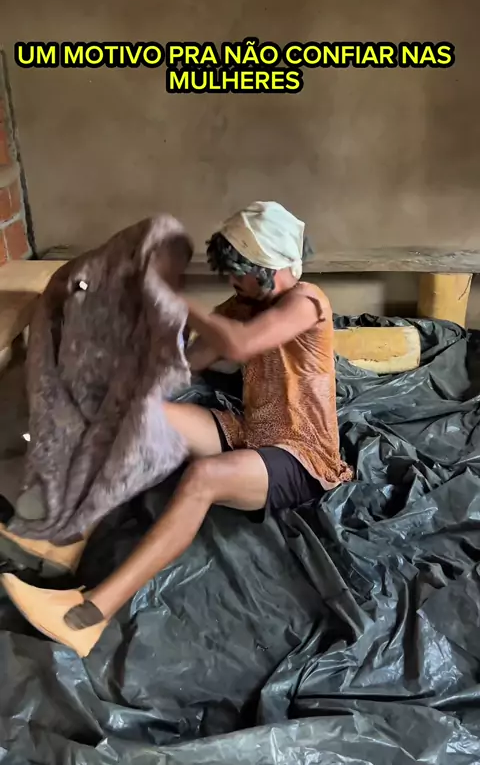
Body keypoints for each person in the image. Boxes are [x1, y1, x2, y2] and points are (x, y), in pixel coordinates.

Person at [1, 201, 353, 656]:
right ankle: (67, 540)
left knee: (204, 478)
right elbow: (191, 361)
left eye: (241, 272)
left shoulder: (307, 301)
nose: (233, 282)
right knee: (138, 416)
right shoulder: (243, 305)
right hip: (250, 432)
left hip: (302, 454)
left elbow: (240, 344)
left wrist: (173, 297)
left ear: (270, 266)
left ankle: (89, 615)